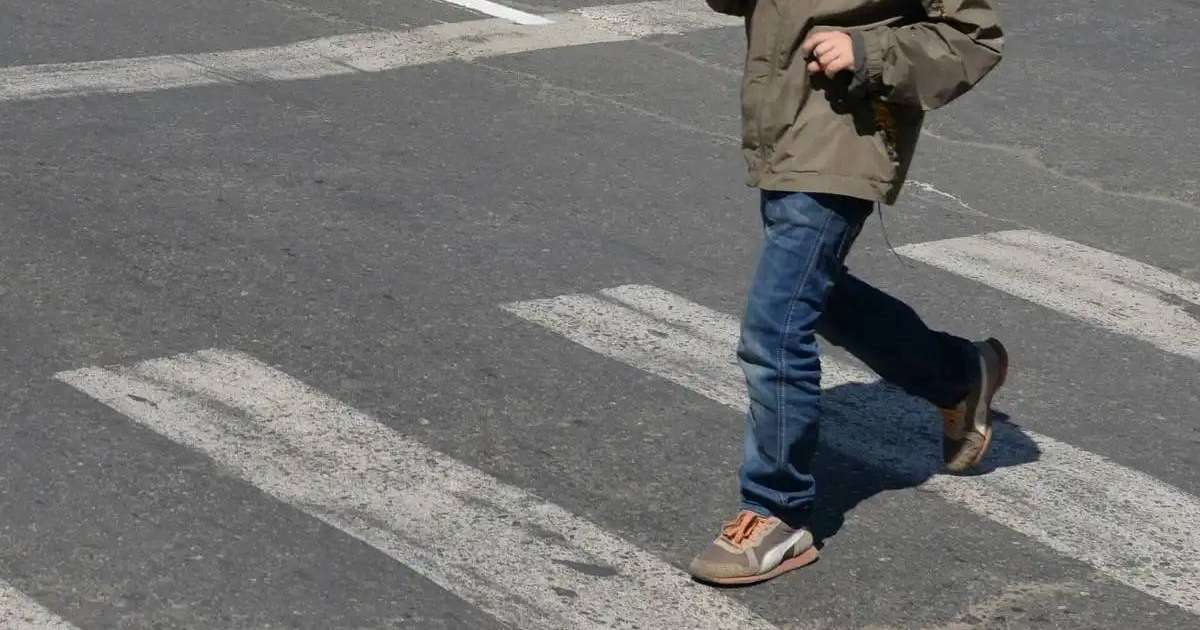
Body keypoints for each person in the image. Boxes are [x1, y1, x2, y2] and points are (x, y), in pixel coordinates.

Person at [688, 0, 1008, 586]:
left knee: (775, 326)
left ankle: (776, 509)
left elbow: (973, 36)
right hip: (783, 120)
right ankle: (959, 375)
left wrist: (867, 52)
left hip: (844, 129)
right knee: (817, 296)